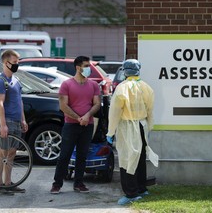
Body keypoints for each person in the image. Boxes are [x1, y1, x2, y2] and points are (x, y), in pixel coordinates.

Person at [106, 59, 159, 205]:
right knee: (140, 158)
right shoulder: (146, 87)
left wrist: (110, 132)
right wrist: (149, 127)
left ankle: (131, 193)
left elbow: (115, 113)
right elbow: (150, 111)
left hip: (127, 128)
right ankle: (142, 188)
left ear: (125, 70)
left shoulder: (122, 88)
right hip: (142, 126)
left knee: (127, 159)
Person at [50, 56, 101, 194]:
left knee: (82, 155)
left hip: (87, 125)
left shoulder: (93, 85)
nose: (89, 69)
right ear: (78, 67)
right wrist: (79, 118)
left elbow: (96, 104)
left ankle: (79, 183)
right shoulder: (67, 84)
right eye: (86, 66)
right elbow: (63, 106)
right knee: (65, 155)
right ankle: (57, 184)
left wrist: (87, 116)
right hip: (71, 125)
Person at [0, 49, 28, 195]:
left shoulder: (15, 81)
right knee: (2, 153)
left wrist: (23, 119)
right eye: (14, 62)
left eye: (17, 62)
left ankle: (8, 183)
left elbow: (19, 101)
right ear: (5, 63)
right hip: (5, 121)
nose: (16, 65)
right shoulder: (0, 82)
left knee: (12, 154)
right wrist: (3, 125)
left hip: (15, 121)